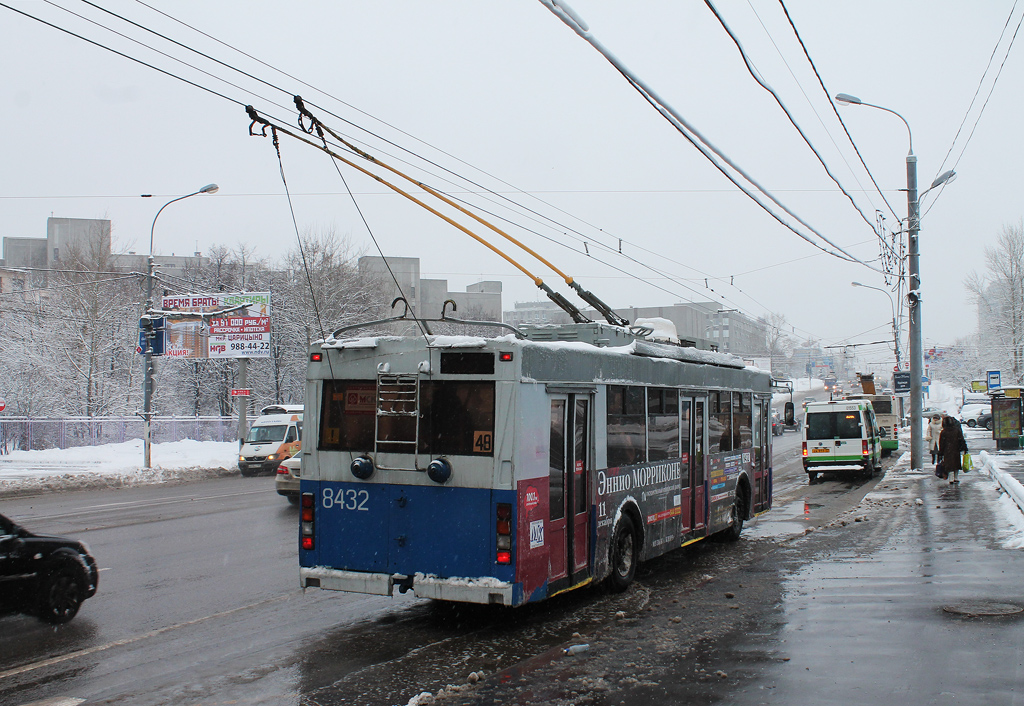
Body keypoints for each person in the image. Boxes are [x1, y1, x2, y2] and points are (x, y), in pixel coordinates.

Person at [938, 415, 968, 484]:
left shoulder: (943, 432)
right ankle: (956, 477)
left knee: (949, 464)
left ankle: (951, 479)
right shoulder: (957, 430)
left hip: (947, 451)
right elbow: (961, 440)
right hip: (956, 449)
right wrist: (964, 448)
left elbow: (941, 443)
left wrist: (940, 452)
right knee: (957, 464)